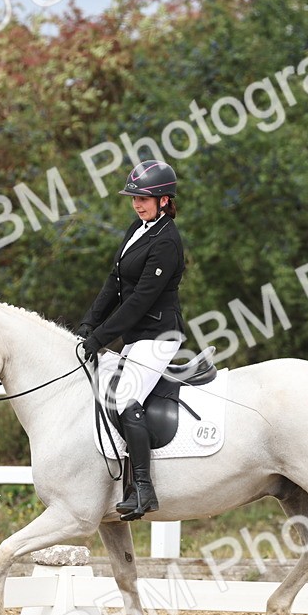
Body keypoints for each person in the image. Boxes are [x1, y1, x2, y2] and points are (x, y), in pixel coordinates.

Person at [76, 159, 186, 521]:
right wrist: (88, 324)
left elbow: (140, 301)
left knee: (125, 398)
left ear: (164, 200)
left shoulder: (167, 240)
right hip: (136, 338)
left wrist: (102, 338)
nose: (137, 204)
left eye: (145, 199)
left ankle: (142, 488)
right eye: (134, 198)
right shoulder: (136, 230)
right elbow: (115, 282)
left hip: (158, 335)